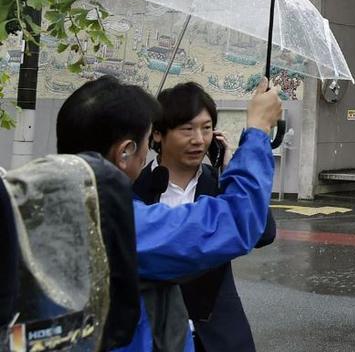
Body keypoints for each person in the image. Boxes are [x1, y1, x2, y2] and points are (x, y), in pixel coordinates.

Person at [55, 75, 282, 351]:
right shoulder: (120, 225)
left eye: (206, 128)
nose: (198, 139)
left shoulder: (38, 208)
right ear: (126, 152)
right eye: (146, 139)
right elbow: (237, 219)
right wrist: (258, 129)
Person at [134, 82, 275, 352]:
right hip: (155, 334)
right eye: (187, 129)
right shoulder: (134, 188)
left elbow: (264, 233)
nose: (198, 139)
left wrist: (231, 167)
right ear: (158, 135)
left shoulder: (223, 184)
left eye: (207, 128)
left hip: (219, 334)